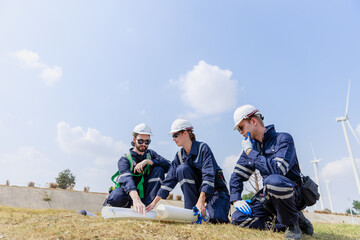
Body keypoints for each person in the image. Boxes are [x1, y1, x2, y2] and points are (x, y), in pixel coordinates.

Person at [229, 104, 313, 240]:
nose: (240, 132)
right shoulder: (251, 147)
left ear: (253, 121)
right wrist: (235, 199)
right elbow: (237, 175)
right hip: (269, 196)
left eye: (241, 127)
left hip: (291, 194)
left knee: (273, 180)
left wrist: (251, 152)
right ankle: (287, 222)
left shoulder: (283, 140)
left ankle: (292, 225)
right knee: (238, 218)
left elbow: (278, 170)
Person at [146, 118, 230, 223]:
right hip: (197, 192)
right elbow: (169, 181)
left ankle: (208, 210)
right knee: (182, 169)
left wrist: (201, 201)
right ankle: (191, 211)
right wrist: (154, 203)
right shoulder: (179, 156)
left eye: (175, 135)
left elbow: (208, 176)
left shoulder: (203, 149)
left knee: (215, 219)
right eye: (172, 136)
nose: (173, 139)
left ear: (185, 133)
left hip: (215, 191)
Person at [105, 123, 170, 215]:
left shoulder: (151, 154)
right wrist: (136, 199)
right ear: (134, 140)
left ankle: (147, 208)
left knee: (159, 169)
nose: (144, 144)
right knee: (116, 197)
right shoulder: (125, 159)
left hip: (145, 192)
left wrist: (149, 161)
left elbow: (170, 166)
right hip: (129, 192)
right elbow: (127, 180)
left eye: (147, 142)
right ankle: (124, 207)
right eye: (140, 141)